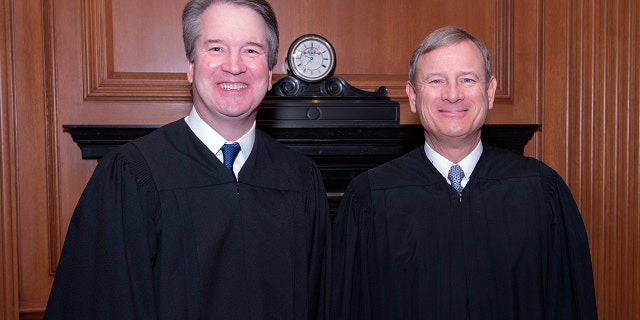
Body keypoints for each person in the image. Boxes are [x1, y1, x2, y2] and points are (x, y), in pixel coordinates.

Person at [44, 0, 331, 319]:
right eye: (216, 48)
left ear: (270, 70)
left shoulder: (299, 178)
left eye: (252, 50)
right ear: (191, 67)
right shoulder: (132, 174)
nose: (234, 66)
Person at [331, 26, 597, 319]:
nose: (453, 95)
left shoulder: (541, 192)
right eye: (436, 81)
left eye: (467, 79)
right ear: (413, 97)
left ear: (490, 92)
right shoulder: (369, 198)